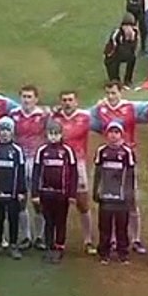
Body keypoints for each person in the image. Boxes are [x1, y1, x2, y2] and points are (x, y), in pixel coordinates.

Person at [91, 81, 145, 255]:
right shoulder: (100, 108)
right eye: (108, 93)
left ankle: (136, 239)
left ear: (120, 92)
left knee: (131, 200)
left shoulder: (131, 106)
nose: (110, 96)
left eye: (113, 93)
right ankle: (112, 240)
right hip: (111, 158)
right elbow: (85, 115)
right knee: (111, 199)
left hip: (128, 158)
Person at [51, 90, 98, 255]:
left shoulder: (85, 117)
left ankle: (88, 240)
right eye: (64, 100)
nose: (67, 103)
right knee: (55, 202)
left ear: (76, 101)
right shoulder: (54, 118)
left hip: (78, 165)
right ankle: (53, 239)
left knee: (82, 203)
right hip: (57, 164)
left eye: (70, 100)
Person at [31, 120, 78, 264]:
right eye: (50, 134)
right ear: (46, 134)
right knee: (48, 221)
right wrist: (35, 193)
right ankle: (49, 246)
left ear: (61, 134)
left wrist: (72, 194)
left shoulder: (67, 151)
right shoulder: (42, 151)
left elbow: (74, 174)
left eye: (56, 134)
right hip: (46, 193)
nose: (53, 137)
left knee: (60, 221)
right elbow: (36, 173)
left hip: (62, 194)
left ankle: (59, 247)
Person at [93, 121, 136, 265]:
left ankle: (122, 252)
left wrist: (129, 195)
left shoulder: (127, 152)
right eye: (111, 132)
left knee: (121, 226)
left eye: (116, 132)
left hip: (121, 197)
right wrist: (96, 191)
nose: (113, 135)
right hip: (106, 196)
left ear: (121, 134)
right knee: (104, 226)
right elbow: (98, 173)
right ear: (107, 134)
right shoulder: (101, 151)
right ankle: (104, 253)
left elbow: (130, 175)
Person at [10, 85, 47, 250]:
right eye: (24, 96)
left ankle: (39, 236)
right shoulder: (14, 115)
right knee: (21, 199)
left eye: (29, 97)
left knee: (39, 200)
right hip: (20, 161)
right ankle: (25, 236)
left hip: (37, 161)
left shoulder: (44, 116)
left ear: (36, 99)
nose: (26, 100)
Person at [0, 117, 27, 260]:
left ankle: (13, 245)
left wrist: (21, 191)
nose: (4, 133)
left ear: (12, 132)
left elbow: (21, 171)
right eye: (2, 130)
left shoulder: (17, 150)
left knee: (13, 219)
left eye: (7, 130)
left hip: (13, 193)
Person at [103, 14, 140, 88]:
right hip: (113, 54)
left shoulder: (135, 33)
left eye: (130, 26)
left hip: (124, 53)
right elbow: (113, 47)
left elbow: (133, 49)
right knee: (113, 64)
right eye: (126, 26)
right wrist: (124, 39)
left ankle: (128, 80)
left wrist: (131, 40)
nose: (128, 28)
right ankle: (115, 80)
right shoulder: (117, 33)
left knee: (132, 58)